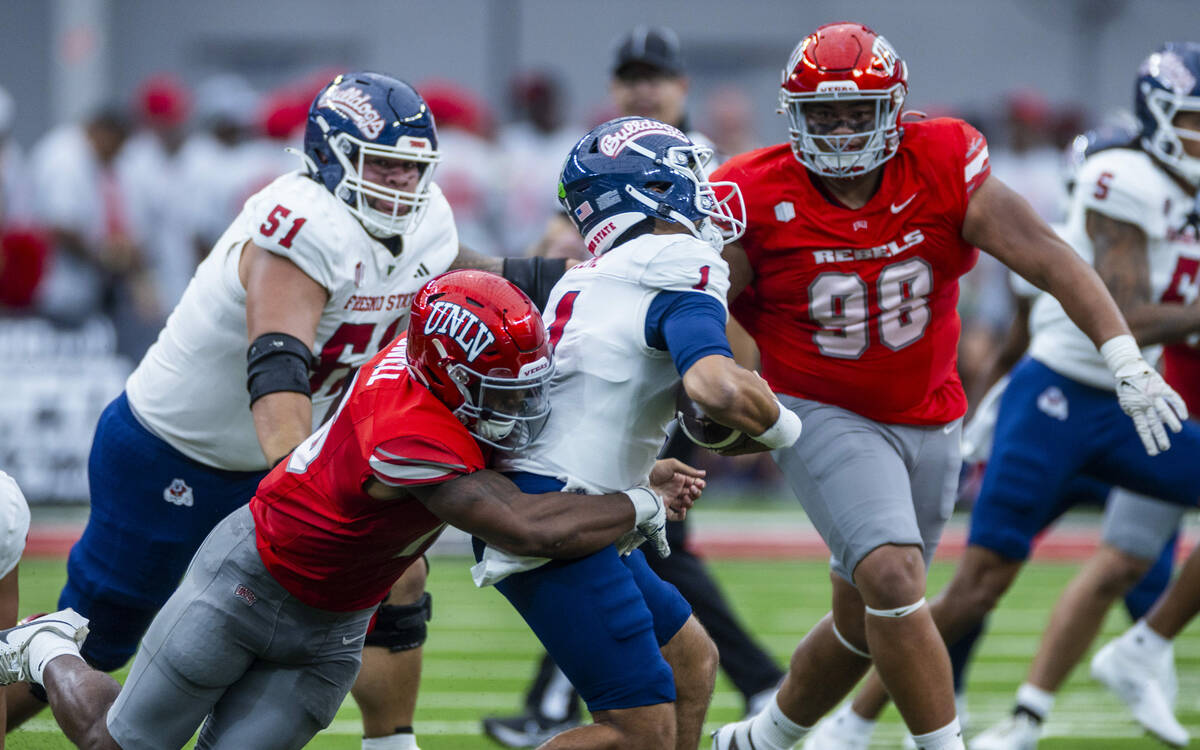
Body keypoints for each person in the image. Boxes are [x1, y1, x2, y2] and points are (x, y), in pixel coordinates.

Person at [7, 72, 572, 750]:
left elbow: (477, 276)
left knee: (397, 568)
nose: (399, 183)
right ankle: (41, 650)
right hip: (177, 454)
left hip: (282, 453)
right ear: (330, 155)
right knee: (101, 640)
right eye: (382, 164)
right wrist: (297, 484)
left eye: (410, 167)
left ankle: (390, 741)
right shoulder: (302, 221)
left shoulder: (425, 219)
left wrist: (586, 284)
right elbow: (278, 363)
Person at [709, 22, 1185, 750]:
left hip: (931, 414)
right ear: (793, 115)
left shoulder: (940, 159)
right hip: (818, 406)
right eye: (822, 114)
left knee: (863, 622)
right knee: (896, 580)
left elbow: (1050, 260)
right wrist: (706, 388)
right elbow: (705, 305)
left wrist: (1124, 358)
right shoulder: (750, 192)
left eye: (856, 112)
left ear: (893, 110)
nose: (839, 131)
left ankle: (764, 739)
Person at [0, 269, 706, 750]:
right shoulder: (408, 431)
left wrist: (633, 468)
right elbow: (523, 523)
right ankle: (48, 647)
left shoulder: (441, 373)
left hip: (335, 623)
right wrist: (641, 501)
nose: (519, 406)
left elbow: (522, 461)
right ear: (449, 377)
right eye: (499, 389)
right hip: (248, 582)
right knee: (116, 744)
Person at [806, 110, 1198, 750]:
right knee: (978, 587)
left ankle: (1138, 650)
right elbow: (1069, 319)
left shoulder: (1177, 211)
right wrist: (989, 401)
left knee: (1119, 566)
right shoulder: (1111, 187)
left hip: (1129, 408)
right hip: (1054, 406)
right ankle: (853, 722)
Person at [483, 27, 787, 747]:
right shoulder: (667, 259)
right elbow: (713, 385)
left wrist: (639, 470)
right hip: (557, 511)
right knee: (635, 731)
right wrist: (789, 433)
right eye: (682, 181)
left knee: (693, 660)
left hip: (574, 488)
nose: (701, 198)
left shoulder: (600, 271)